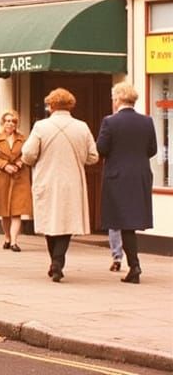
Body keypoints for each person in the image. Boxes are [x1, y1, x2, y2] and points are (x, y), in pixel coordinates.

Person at [21, 88, 98, 283]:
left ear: (51, 105)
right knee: (66, 223)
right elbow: (93, 156)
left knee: (50, 222)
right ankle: (57, 262)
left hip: (46, 179)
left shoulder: (40, 126)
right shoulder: (82, 127)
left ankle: (55, 261)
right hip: (72, 181)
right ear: (70, 105)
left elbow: (28, 155)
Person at [96, 81, 156, 284]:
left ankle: (134, 266)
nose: (113, 101)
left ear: (119, 99)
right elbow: (152, 150)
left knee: (123, 223)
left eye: (113, 98)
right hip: (139, 175)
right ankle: (134, 265)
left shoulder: (110, 122)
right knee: (130, 223)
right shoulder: (147, 121)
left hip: (117, 177)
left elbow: (101, 149)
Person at [0, 110, 33, 252]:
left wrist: (20, 162)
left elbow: (28, 154)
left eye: (13, 121)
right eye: (7, 121)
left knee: (17, 211)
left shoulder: (23, 138)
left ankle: (14, 241)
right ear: (2, 122)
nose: (10, 124)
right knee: (4, 211)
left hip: (19, 178)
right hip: (3, 178)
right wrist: (5, 165)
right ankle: (6, 237)